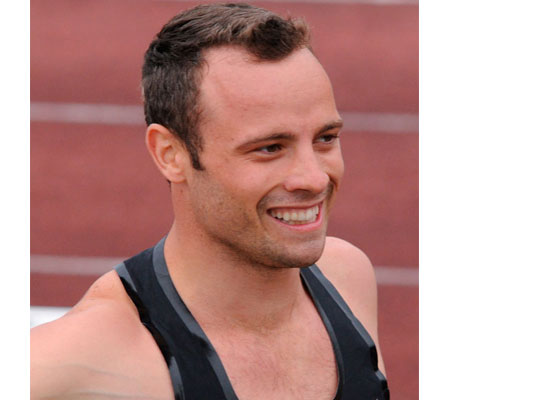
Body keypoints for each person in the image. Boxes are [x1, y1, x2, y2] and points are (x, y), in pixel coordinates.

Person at [31, 3, 389, 399]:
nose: (314, 177)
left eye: (326, 138)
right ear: (170, 154)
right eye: (269, 148)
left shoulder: (345, 277)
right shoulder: (86, 357)